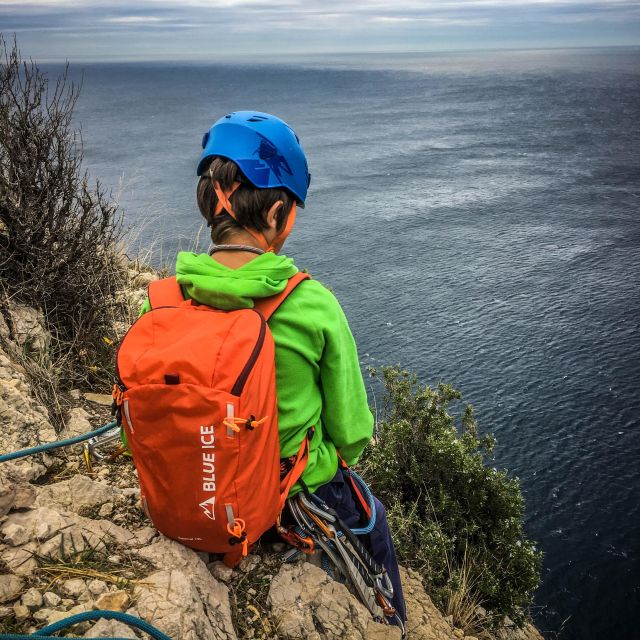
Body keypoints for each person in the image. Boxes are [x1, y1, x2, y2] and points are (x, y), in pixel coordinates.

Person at [151, 111, 406, 623]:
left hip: (194, 480)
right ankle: (394, 623)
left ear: (209, 205)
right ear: (275, 215)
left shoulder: (162, 302)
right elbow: (352, 430)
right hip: (293, 492)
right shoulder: (311, 305)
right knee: (374, 526)